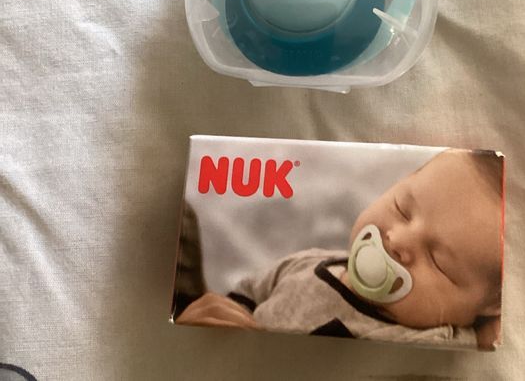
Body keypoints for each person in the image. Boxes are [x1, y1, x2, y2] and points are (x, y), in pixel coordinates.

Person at [177, 149, 503, 349]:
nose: (398, 240)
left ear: (489, 305)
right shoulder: (305, 264)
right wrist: (210, 321)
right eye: (402, 209)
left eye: (439, 260)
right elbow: (244, 298)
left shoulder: (432, 344)